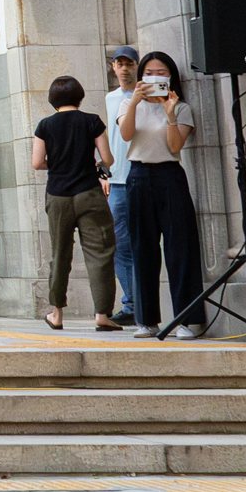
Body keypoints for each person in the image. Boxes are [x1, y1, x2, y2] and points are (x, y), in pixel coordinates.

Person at [117, 51, 203, 334]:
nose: (155, 78)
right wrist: (135, 102)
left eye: (161, 72)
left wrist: (169, 115)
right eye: (149, 72)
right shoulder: (127, 104)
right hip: (139, 176)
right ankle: (146, 319)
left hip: (170, 176)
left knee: (180, 248)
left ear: (171, 76)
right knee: (143, 249)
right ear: (141, 76)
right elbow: (127, 134)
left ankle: (185, 320)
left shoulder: (181, 108)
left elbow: (175, 146)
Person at [28, 75, 113, 332]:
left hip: (58, 196)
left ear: (53, 100)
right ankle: (102, 315)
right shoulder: (92, 121)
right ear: (80, 96)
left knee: (59, 253)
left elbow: (37, 162)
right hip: (89, 194)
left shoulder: (45, 125)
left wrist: (58, 164)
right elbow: (107, 158)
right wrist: (94, 166)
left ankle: (56, 314)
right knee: (100, 253)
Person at [99, 48, 146, 329]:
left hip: (143, 171)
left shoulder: (147, 94)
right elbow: (111, 138)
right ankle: (131, 304)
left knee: (143, 240)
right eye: (120, 64)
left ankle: (141, 303)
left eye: (129, 64)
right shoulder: (110, 98)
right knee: (119, 244)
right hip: (117, 179)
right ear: (113, 67)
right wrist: (105, 172)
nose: (124, 69)